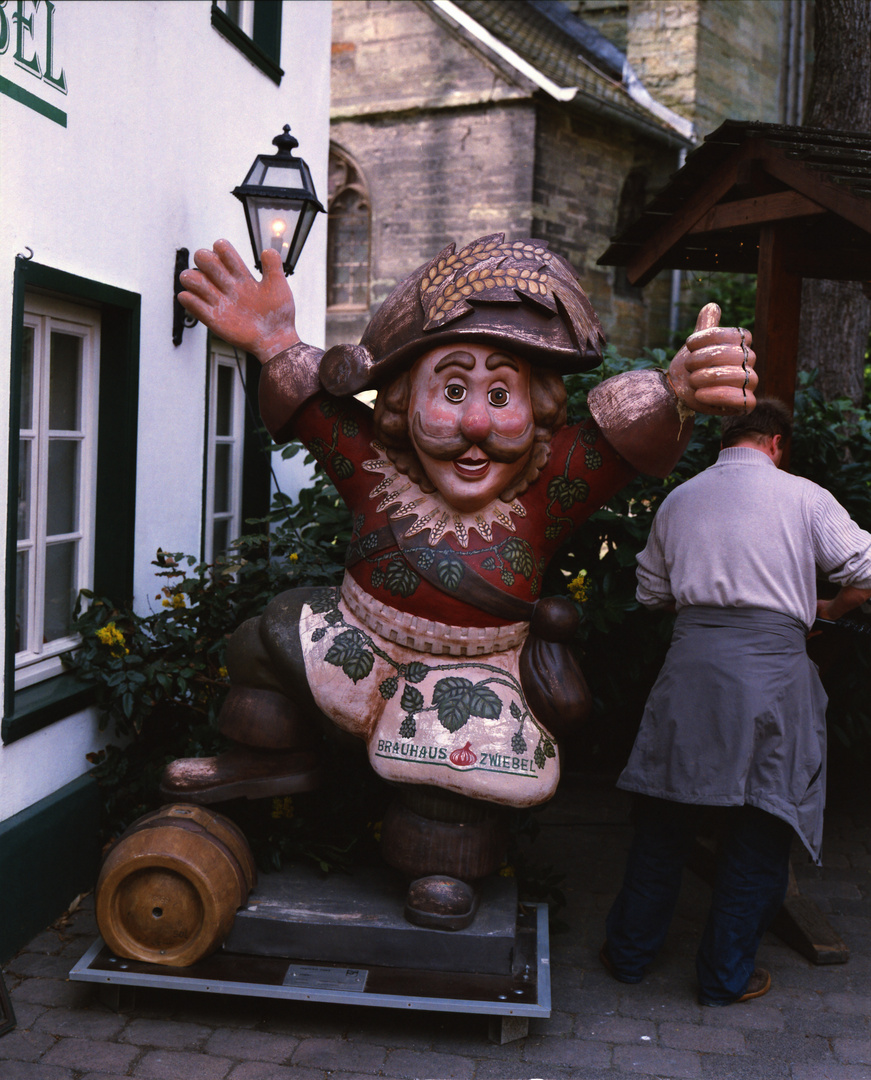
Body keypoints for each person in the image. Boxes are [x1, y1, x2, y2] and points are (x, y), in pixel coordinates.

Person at [167, 233, 757, 926]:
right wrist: (273, 339)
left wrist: (678, 392)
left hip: (476, 673)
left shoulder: (547, 487)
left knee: (448, 784)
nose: (475, 423)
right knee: (261, 642)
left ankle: (442, 868)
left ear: (537, 407)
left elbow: (614, 441)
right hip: (358, 634)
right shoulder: (377, 468)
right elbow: (314, 412)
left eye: (500, 393)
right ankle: (268, 757)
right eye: (451, 389)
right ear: (399, 401)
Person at [601, 399, 871, 1005]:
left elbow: (650, 593)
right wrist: (828, 608)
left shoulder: (680, 499)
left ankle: (628, 957)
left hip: (691, 670)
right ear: (777, 443)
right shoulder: (804, 496)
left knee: (665, 819)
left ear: (727, 442)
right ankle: (724, 977)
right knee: (761, 820)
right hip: (773, 675)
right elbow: (868, 566)